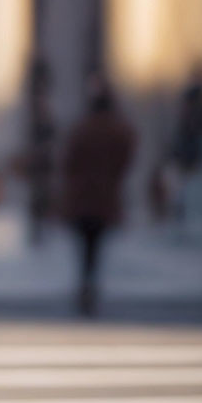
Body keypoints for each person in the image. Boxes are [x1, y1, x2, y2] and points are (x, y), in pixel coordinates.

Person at [58, 72, 136, 317]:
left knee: (86, 246)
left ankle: (86, 286)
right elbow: (127, 153)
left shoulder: (82, 129)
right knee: (95, 246)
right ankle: (89, 286)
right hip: (103, 198)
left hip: (83, 198)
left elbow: (68, 161)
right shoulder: (116, 130)